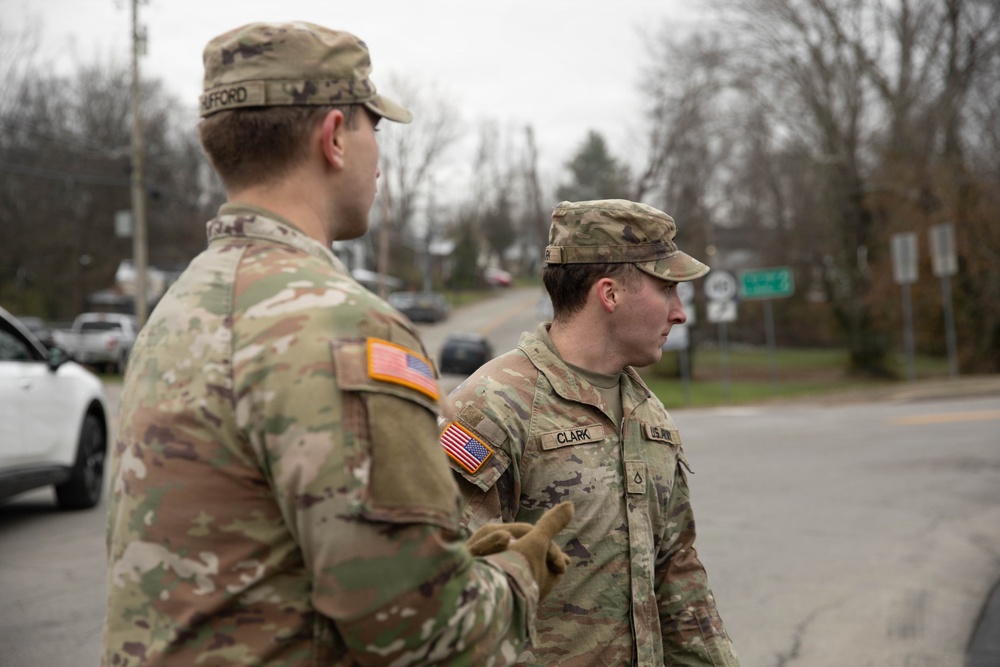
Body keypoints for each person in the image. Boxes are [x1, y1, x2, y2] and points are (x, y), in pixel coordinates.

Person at [102, 21, 573, 666]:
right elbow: (423, 637)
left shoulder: (178, 309)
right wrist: (521, 574)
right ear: (333, 138)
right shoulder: (346, 325)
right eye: (373, 128)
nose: (379, 155)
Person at [442, 199, 740, 666]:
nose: (680, 312)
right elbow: (451, 593)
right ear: (610, 294)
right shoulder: (491, 408)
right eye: (667, 289)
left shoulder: (648, 412)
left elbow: (678, 575)